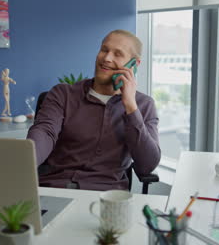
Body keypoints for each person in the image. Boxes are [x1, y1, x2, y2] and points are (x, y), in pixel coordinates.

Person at [27, 29, 160, 191]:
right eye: (104, 50)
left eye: (118, 54)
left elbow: (147, 165)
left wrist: (131, 107)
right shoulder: (63, 94)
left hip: (106, 196)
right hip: (55, 187)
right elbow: (45, 132)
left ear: (134, 64)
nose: (107, 58)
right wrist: (26, 160)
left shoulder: (144, 105)